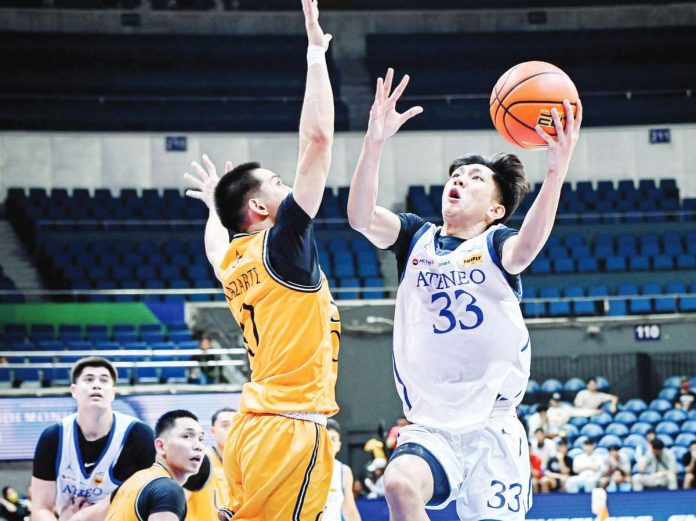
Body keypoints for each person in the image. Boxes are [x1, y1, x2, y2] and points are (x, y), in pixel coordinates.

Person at [346, 66, 581, 520]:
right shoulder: (416, 237)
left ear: (496, 209)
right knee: (398, 483)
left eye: (475, 178)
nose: (460, 180)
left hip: (492, 427)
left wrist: (556, 170)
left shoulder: (494, 245)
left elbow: (527, 247)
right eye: (457, 175)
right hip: (429, 425)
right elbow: (359, 216)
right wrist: (374, 142)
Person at [184, 1, 340, 519]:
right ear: (259, 208)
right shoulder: (282, 244)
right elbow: (317, 141)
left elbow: (213, 247)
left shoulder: (234, 259)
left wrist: (213, 206)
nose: (288, 185)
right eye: (277, 183)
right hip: (290, 428)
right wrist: (316, 55)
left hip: (252, 428)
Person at [30, 357, 155, 521]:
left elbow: (152, 498)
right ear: (74, 390)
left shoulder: (139, 434)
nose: (96, 384)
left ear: (113, 393)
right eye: (89, 379)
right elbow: (40, 508)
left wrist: (88, 515)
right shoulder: (53, 436)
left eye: (104, 380)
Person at [105, 410, 206, 521]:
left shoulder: (132, 481)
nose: (199, 446)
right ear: (161, 446)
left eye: (201, 439)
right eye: (187, 436)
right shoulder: (168, 490)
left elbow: (85, 516)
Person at [186, 408, 237, 521]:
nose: (232, 430)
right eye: (225, 425)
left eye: (236, 425)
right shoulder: (200, 460)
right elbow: (179, 502)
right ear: (212, 431)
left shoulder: (246, 463)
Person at [323, 420, 361, 521]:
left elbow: (350, 509)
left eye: (333, 439)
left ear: (339, 445)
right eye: (326, 438)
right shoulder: (304, 467)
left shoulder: (343, 471)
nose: (329, 443)